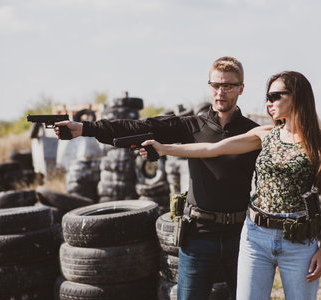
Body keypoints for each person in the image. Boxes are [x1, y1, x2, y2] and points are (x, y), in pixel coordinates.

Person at [54, 56, 260, 300]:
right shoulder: (192, 126)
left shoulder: (253, 132)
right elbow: (138, 126)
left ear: (241, 89)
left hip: (241, 235)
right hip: (199, 235)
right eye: (215, 85)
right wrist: (85, 129)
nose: (220, 92)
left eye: (228, 86)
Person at [139, 71, 321, 300]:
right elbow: (213, 149)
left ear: (297, 96)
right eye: (267, 96)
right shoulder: (264, 134)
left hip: (299, 243)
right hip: (256, 237)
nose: (268, 102)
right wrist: (165, 149)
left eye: (275, 96)